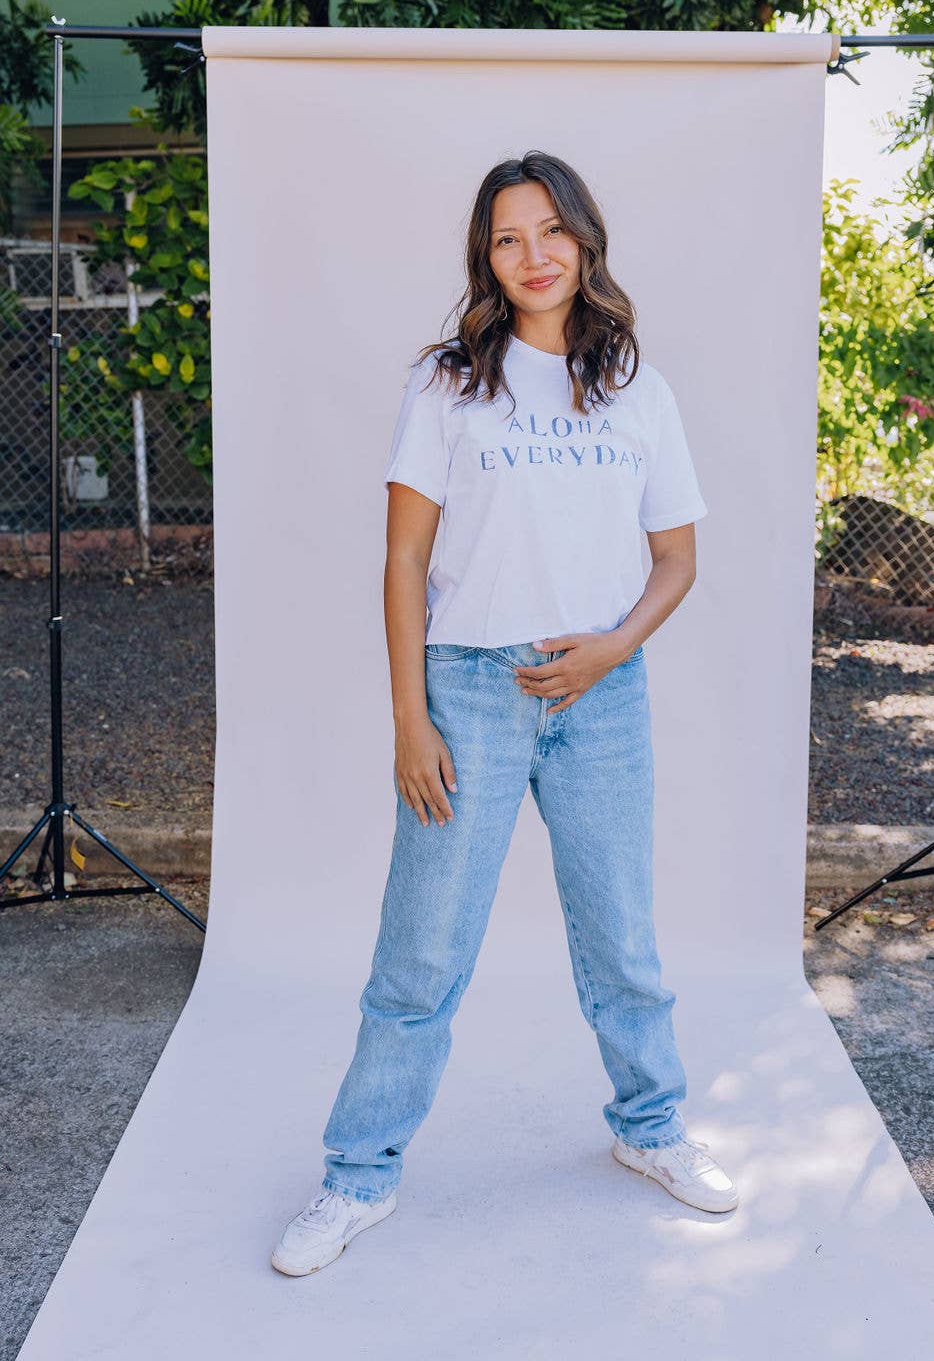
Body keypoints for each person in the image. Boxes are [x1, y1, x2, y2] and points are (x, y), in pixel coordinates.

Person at [271, 149, 738, 1279]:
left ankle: (651, 1128)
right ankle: (357, 1174)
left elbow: (676, 559)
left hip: (600, 695)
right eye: (506, 238)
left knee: (622, 937)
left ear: (585, 239)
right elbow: (401, 557)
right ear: (486, 257)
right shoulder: (447, 384)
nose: (532, 256)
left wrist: (612, 648)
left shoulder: (638, 387)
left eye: (549, 232)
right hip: (468, 692)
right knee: (422, 951)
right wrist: (407, 718)